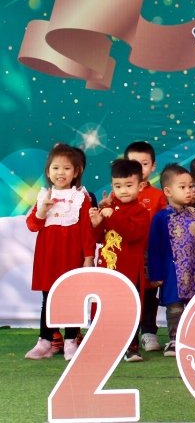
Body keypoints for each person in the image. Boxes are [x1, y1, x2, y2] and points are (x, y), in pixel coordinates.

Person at [24, 143, 95, 361]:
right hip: (48, 257)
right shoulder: (43, 195)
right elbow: (32, 225)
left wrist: (88, 258)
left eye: (66, 168)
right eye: (55, 168)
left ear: (76, 172)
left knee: (72, 298)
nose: (60, 173)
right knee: (48, 298)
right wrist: (42, 210)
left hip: (71, 257)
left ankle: (71, 340)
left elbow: (86, 231)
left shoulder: (81, 198)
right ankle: (45, 341)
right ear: (48, 172)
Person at [90, 159, 151, 362]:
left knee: (129, 309)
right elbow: (98, 239)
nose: (123, 190)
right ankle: (102, 343)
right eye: (118, 186)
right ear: (112, 186)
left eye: (128, 185)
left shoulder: (141, 212)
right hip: (107, 270)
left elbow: (132, 233)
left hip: (129, 273)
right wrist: (96, 223)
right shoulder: (108, 208)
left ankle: (131, 346)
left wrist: (112, 215)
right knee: (103, 307)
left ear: (140, 186)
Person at [148, 164, 195, 357]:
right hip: (171, 272)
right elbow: (155, 248)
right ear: (168, 191)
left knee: (194, 305)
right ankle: (175, 340)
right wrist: (156, 274)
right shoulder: (161, 218)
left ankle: (193, 339)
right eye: (182, 187)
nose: (188, 190)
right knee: (174, 306)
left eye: (190, 186)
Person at [124, 141, 167, 354]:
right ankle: (127, 333)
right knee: (128, 293)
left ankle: (148, 331)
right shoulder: (119, 193)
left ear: (153, 166)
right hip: (127, 255)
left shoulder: (159, 195)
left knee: (150, 293)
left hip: (150, 253)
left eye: (144, 163)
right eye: (134, 163)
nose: (139, 169)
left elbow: (165, 224)